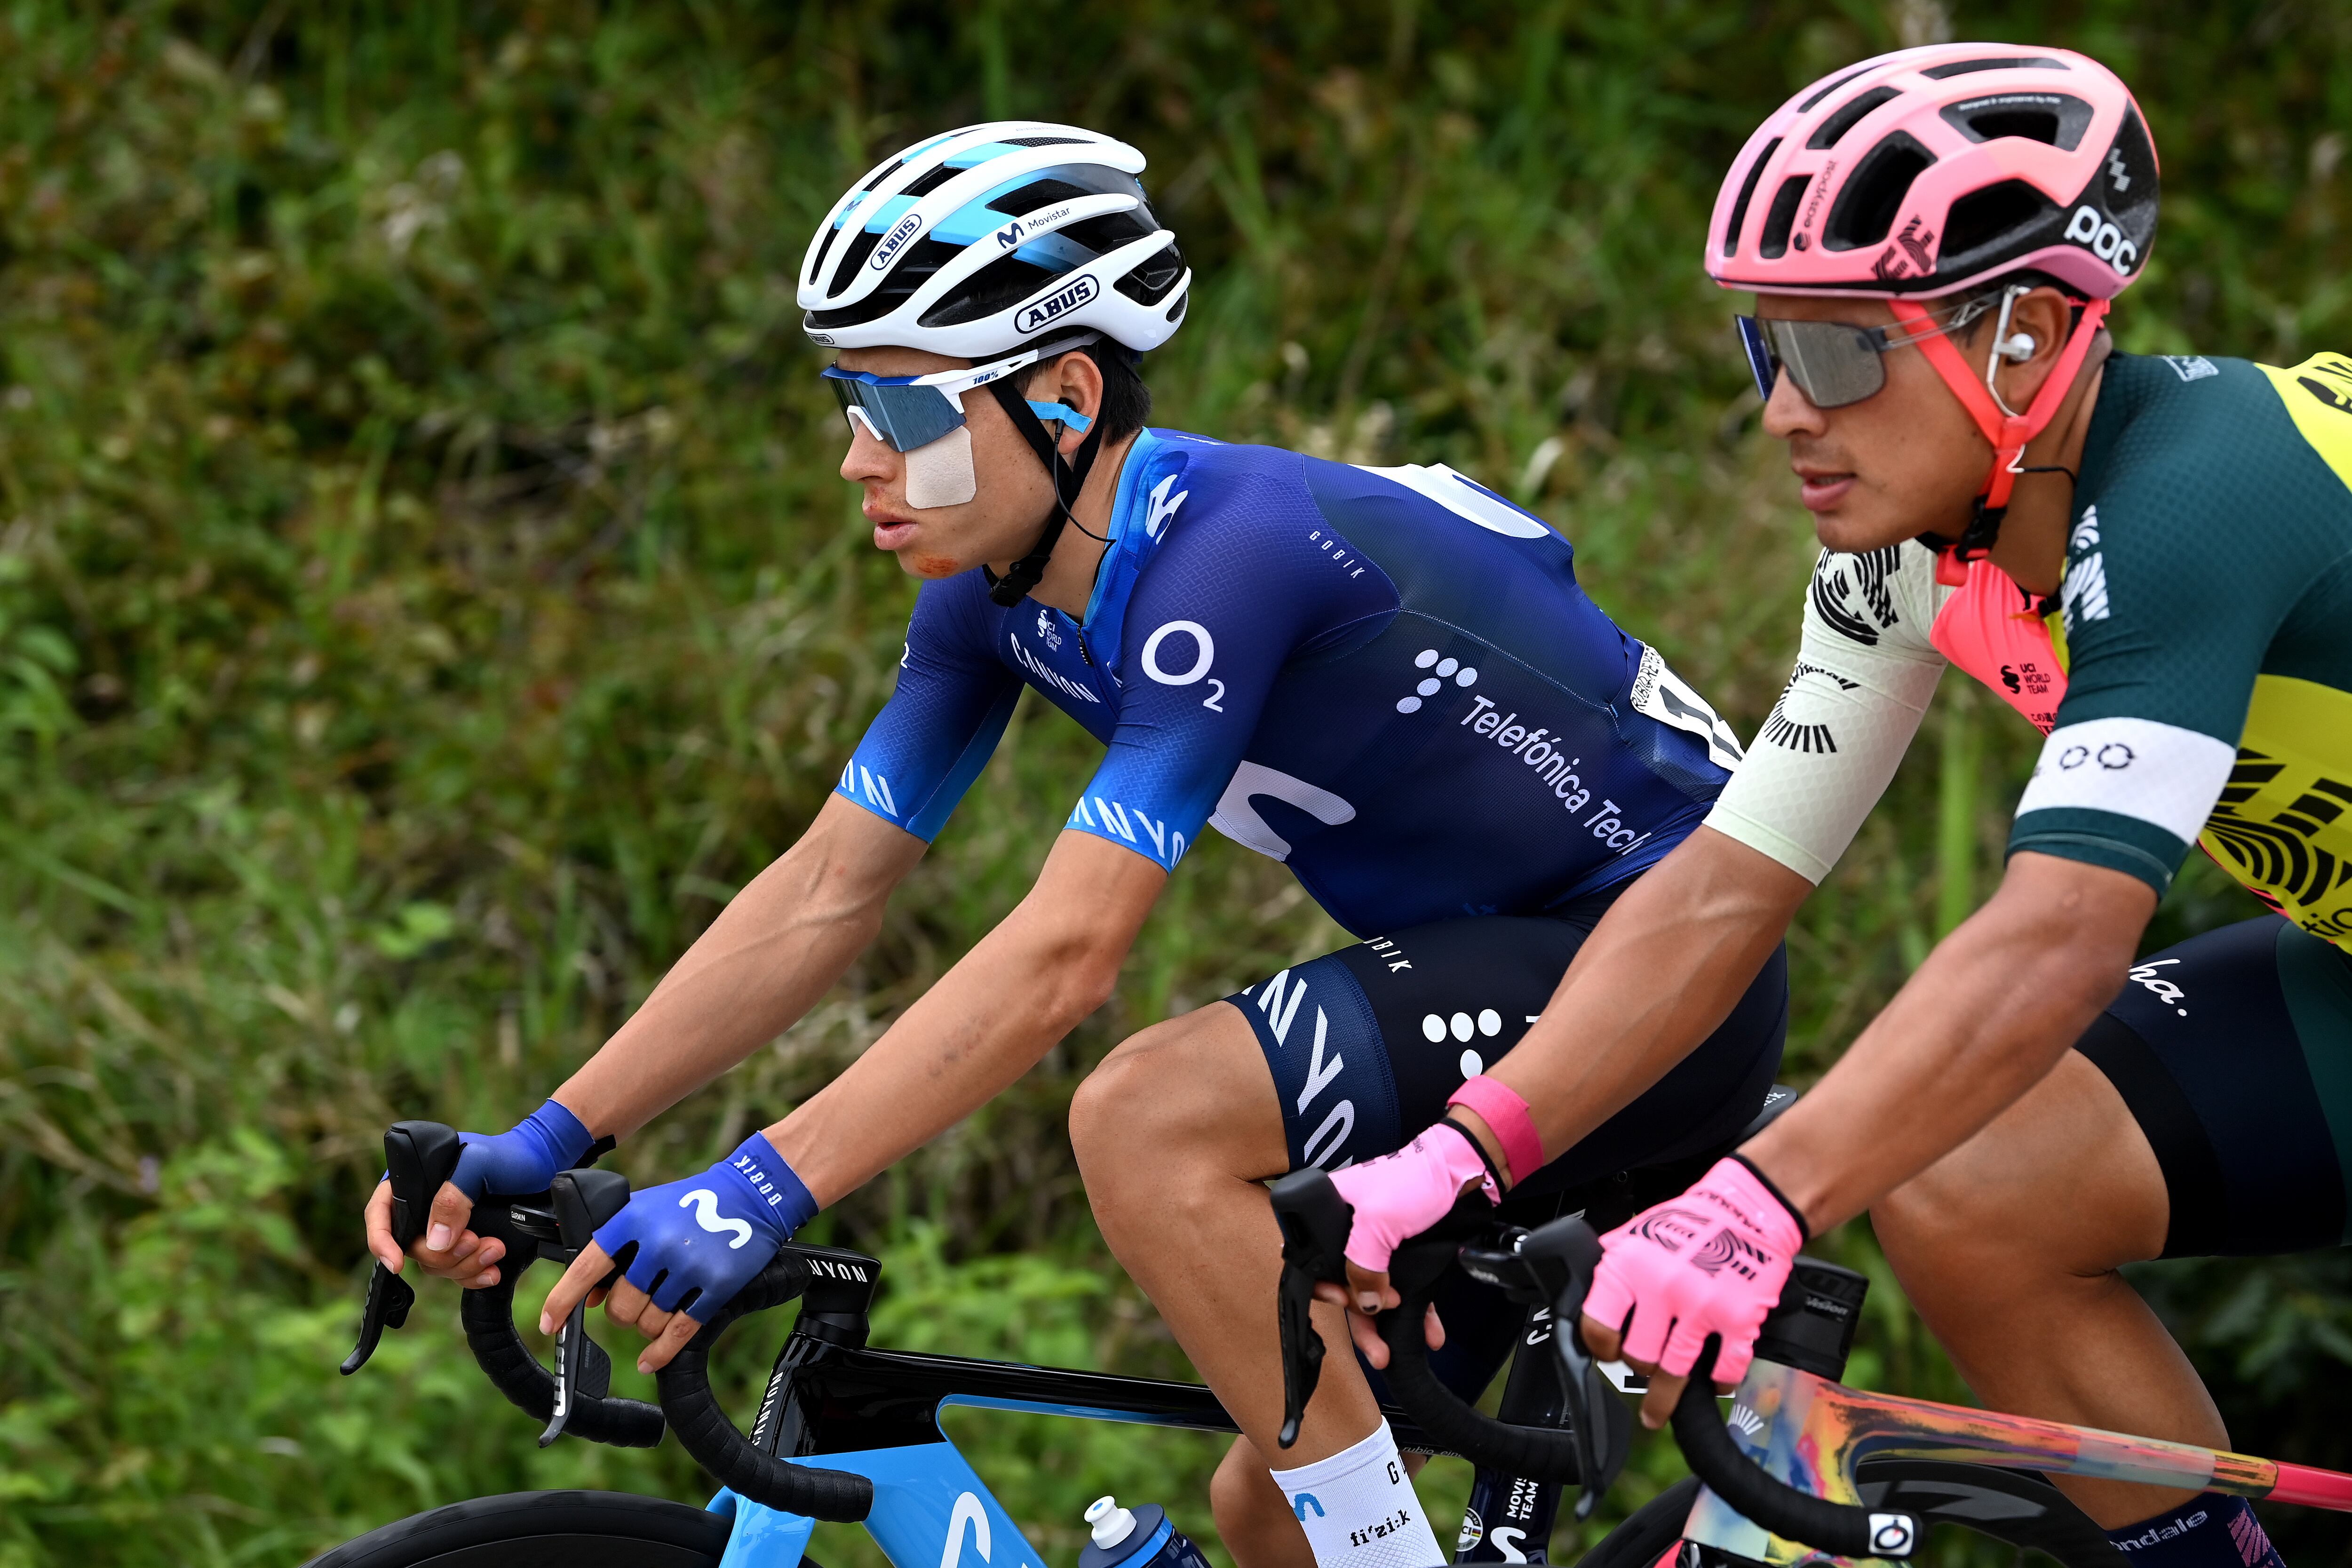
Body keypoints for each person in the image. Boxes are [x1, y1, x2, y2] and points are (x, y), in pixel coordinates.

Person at [359, 120, 1785, 1568]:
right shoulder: (992, 594)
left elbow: (1066, 955)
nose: (858, 460)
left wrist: (762, 1184)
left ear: (1066, 394)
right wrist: (545, 1141)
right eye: (846, 407)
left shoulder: (1231, 555)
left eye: (900, 415)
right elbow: (826, 889)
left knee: (1148, 1115)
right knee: (1267, 1510)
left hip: (1652, 972)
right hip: (1510, 994)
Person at [1320, 43, 2349, 1568]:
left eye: (1846, 353)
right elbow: (1725, 889)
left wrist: (1759, 1202)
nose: (1787, 411)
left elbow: (2060, 931)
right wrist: (1461, 1153)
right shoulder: (1906, 564)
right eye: (1770, 349)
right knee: (1972, 1181)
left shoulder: (2210, 488)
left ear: (2030, 338)